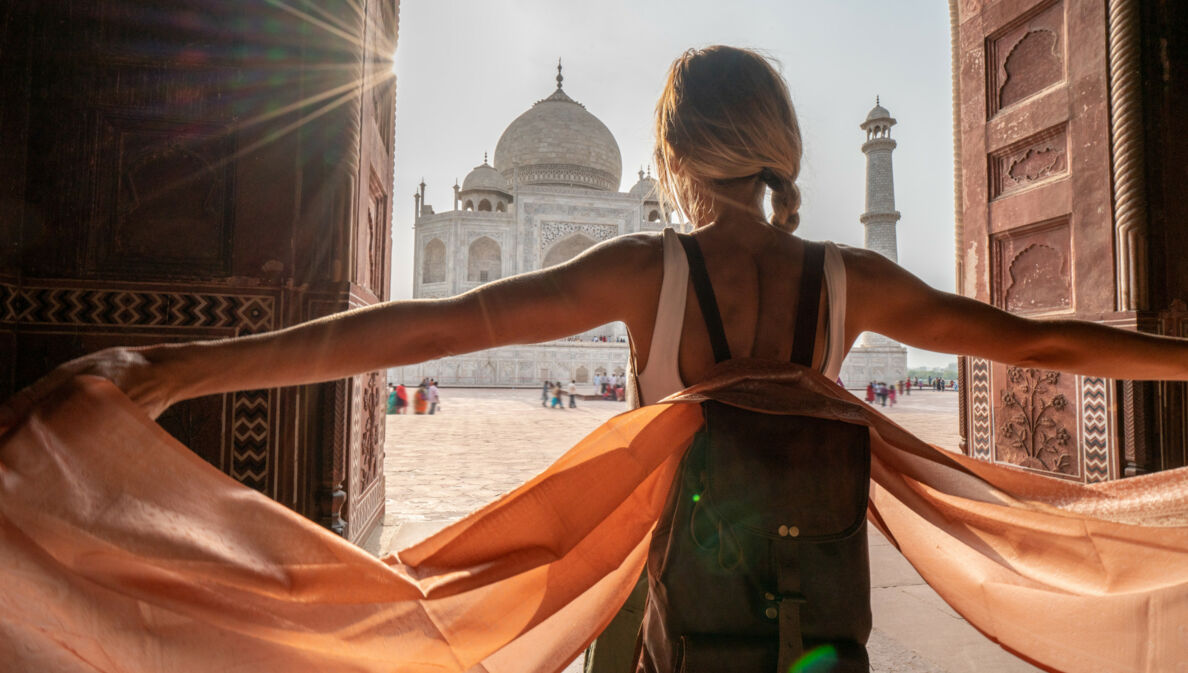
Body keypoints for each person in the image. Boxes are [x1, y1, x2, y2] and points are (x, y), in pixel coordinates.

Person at [5, 45, 1188, 672]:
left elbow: (420, 327)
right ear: (778, 148)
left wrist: (177, 369)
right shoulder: (848, 276)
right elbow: (1039, 337)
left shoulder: (640, 271)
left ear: (668, 156)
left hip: (666, 575)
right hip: (815, 592)